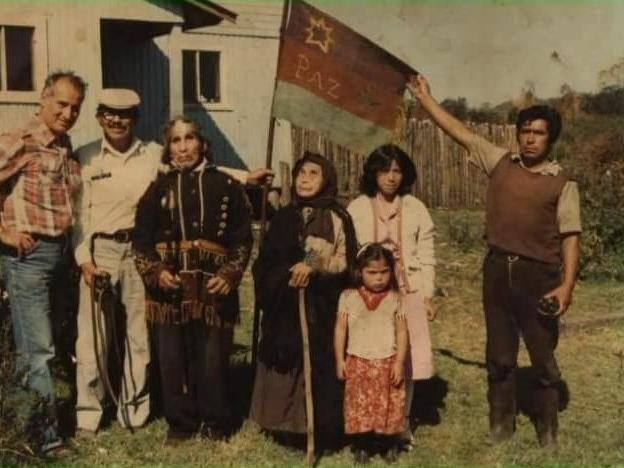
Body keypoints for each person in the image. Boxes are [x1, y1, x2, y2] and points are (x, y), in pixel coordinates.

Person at [72, 89, 273, 436]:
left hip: (146, 257)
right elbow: (80, 218)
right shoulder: (85, 157)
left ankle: (135, 412)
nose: (116, 120)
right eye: (109, 113)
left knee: (140, 339)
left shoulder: (152, 155)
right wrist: (85, 261)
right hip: (103, 251)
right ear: (100, 116)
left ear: (135, 118)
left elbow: (203, 171)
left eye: (124, 114)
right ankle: (88, 417)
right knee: (94, 339)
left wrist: (245, 178)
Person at [408, 74, 581, 447]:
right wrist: (427, 99)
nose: (530, 138)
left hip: (540, 277)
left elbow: (570, 238)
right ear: (517, 134)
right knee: (500, 357)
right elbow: (462, 134)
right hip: (498, 273)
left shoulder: (562, 182)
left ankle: (547, 431)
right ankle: (501, 426)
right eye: (525, 131)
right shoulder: (501, 163)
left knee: (542, 359)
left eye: (538, 133)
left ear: (551, 138)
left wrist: (566, 286)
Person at [132, 116, 253, 443]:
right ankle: (181, 423)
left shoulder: (226, 186)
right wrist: (156, 271)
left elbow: (243, 238)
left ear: (203, 143)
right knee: (172, 357)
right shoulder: (157, 188)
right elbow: (140, 239)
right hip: (169, 287)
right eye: (176, 140)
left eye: (190, 139)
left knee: (212, 357)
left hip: (214, 285)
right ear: (168, 147)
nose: (183, 147)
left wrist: (230, 274)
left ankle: (216, 420)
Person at [0, 70, 87, 452]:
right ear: (43, 99)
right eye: (62, 104)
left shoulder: (65, 145)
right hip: (29, 257)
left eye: (75, 107)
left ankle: (31, 421)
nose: (68, 113)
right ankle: (43, 437)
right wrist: (3, 234)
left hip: (60, 256)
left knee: (46, 344)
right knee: (37, 349)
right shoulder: (23, 139)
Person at [250, 151, 357, 451]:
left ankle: (316, 426)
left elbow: (343, 259)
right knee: (284, 358)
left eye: (314, 174)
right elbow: (269, 258)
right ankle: (282, 425)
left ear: (327, 180)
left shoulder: (338, 217)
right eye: (300, 173)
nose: (305, 179)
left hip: (321, 305)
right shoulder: (285, 215)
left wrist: (313, 265)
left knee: (317, 363)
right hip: (284, 305)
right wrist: (281, 273)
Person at [347, 144, 436, 448]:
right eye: (384, 171)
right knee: (371, 355)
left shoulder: (415, 208)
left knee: (405, 358)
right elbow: (349, 253)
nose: (391, 177)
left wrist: (426, 295)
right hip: (370, 294)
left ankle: (402, 421)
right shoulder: (358, 207)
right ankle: (368, 419)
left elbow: (426, 255)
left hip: (407, 290)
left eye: (397, 171)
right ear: (373, 174)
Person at [334, 243, 408, 464]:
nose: (379, 278)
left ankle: (387, 445)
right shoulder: (348, 297)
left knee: (388, 406)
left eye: (384, 272)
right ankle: (362, 446)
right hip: (358, 361)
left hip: (386, 362)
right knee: (360, 407)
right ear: (360, 271)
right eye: (372, 272)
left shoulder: (396, 298)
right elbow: (340, 329)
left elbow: (402, 332)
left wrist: (400, 362)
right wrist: (339, 359)